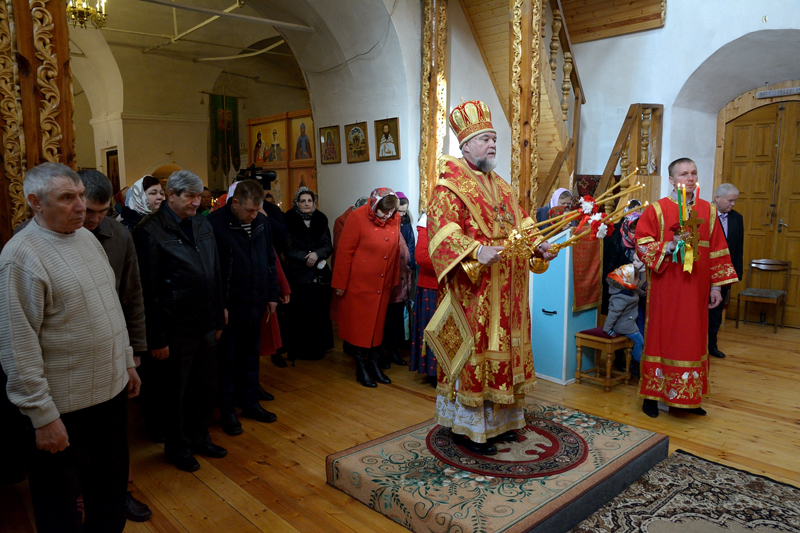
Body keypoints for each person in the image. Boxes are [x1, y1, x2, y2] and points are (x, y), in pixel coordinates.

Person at [0, 162, 140, 533]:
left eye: (80, 195)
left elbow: (110, 307)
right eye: (67, 198)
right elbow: (17, 346)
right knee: (60, 509)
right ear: (36, 202)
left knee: (109, 497)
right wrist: (42, 416)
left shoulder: (86, 238)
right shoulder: (20, 256)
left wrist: (126, 360)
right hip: (65, 409)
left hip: (110, 396)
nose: (81, 206)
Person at [427, 100, 556, 455]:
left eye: (494, 139)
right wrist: (475, 250)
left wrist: (539, 244)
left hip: (508, 289)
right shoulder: (449, 186)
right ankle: (468, 430)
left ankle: (500, 423)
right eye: (485, 139)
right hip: (475, 291)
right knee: (476, 354)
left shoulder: (501, 186)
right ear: (466, 145)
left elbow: (522, 221)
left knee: (504, 353)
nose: (492, 145)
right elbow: (440, 233)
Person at [133, 170, 227, 472]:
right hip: (175, 328)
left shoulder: (202, 223)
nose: (197, 202)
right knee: (175, 393)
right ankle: (177, 447)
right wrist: (157, 338)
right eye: (190, 196)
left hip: (206, 322)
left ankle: (199, 437)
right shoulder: (149, 231)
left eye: (199, 196)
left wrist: (218, 315)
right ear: (171, 195)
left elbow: (214, 271)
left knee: (206, 387)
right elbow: (148, 291)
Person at [636, 158, 738, 418]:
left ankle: (687, 397)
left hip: (696, 291)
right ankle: (651, 397)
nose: (690, 178)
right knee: (661, 338)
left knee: (692, 340)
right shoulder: (657, 210)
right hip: (666, 290)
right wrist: (670, 245)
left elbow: (718, 251)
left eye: (693, 173)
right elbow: (642, 246)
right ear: (672, 180)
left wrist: (716, 288)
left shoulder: (708, 211)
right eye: (683, 174)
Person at [77, 170, 152, 522]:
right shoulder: (40, 238)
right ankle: (77, 499)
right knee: (77, 440)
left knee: (114, 437)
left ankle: (117, 494)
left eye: (102, 212)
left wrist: (134, 351)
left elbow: (132, 295)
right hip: (71, 357)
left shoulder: (120, 235)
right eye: (88, 211)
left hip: (113, 349)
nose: (94, 220)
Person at [208, 180, 281, 436]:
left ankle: (250, 403)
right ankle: (227, 410)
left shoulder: (261, 222)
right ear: (235, 203)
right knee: (226, 361)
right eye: (249, 210)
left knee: (251, 356)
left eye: (257, 210)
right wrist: (220, 306)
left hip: (256, 300)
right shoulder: (215, 224)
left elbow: (269, 260)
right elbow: (212, 270)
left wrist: (272, 294)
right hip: (230, 305)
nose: (253, 215)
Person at [332, 188, 401, 387]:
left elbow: (395, 252)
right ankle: (361, 367)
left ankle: (374, 364)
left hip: (382, 284)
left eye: (391, 212)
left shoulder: (394, 218)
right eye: (384, 212)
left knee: (377, 327)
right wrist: (340, 284)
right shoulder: (357, 217)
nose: (387, 216)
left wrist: (393, 280)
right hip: (359, 285)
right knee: (359, 328)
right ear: (374, 204)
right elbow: (344, 253)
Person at [283, 187, 334, 361]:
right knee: (300, 314)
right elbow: (288, 249)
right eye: (303, 201)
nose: (307, 204)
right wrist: (307, 257)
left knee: (319, 313)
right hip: (298, 274)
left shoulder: (321, 219)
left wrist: (317, 254)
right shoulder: (289, 219)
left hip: (319, 275)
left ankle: (319, 348)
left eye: (310, 201)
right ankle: (301, 349)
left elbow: (328, 245)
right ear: (297, 203)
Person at [708, 183, 744, 359]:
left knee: (716, 311)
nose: (733, 204)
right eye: (730, 200)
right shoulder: (704, 215)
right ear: (717, 198)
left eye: (735, 200)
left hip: (724, 273)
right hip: (704, 272)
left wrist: (735, 273)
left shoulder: (737, 218)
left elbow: (738, 248)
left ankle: (712, 345)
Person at [409, 212, 439, 384]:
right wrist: (452, 263)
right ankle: (433, 372)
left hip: (451, 285)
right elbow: (421, 256)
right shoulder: (427, 221)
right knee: (432, 330)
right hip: (431, 285)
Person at [603, 262, 645, 376]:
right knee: (639, 341)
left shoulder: (629, 289)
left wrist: (646, 294)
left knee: (631, 342)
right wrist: (607, 328)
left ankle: (624, 360)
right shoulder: (621, 297)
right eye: (636, 278)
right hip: (624, 325)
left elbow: (638, 292)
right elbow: (613, 313)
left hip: (627, 323)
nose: (638, 280)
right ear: (629, 280)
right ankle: (636, 364)